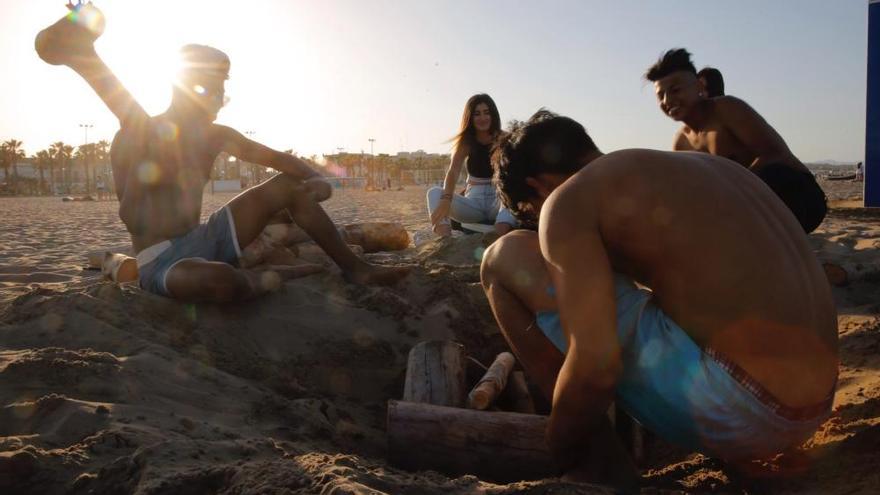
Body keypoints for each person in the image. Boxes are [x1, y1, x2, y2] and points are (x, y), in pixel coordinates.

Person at [481, 110, 838, 487]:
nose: (537, 226)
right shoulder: (701, 168)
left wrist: (560, 443)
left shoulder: (568, 200)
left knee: (501, 258)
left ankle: (597, 464)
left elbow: (597, 369)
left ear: (536, 188)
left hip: (744, 411)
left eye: (530, 215)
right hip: (815, 405)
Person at [38, 3, 409, 302]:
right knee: (221, 282)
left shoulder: (215, 135)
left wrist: (315, 179)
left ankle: (353, 266)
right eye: (209, 89)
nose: (218, 100)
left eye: (221, 91)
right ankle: (263, 279)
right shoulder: (142, 130)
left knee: (289, 188)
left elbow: (282, 161)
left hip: (207, 236)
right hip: (162, 261)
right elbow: (112, 91)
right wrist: (82, 51)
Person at [646, 48, 827, 233]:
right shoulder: (681, 143)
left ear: (700, 86)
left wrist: (730, 189)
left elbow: (775, 153)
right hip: (742, 205)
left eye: (675, 90)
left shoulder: (726, 109)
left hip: (797, 195)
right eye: (661, 95)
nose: (668, 99)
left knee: (771, 176)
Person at [427, 94, 517, 237]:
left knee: (513, 192)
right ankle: (445, 241)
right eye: (477, 114)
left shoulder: (506, 139)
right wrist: (446, 199)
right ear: (470, 118)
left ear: (493, 114)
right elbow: (453, 171)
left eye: (486, 113)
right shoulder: (466, 142)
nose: (482, 118)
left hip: (499, 197)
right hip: (474, 202)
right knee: (434, 193)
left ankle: (498, 236)